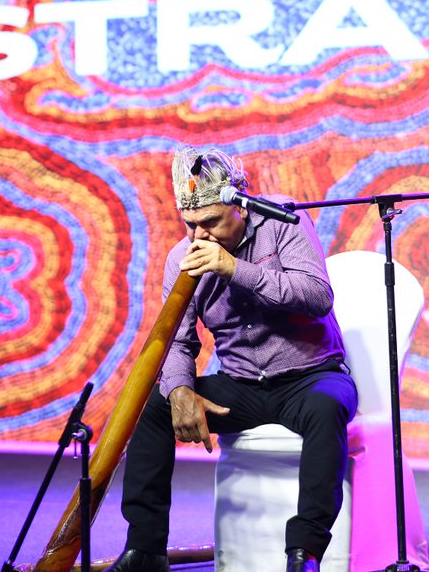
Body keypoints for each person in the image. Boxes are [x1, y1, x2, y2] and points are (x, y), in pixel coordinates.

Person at [106, 147, 358, 572]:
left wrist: (233, 269)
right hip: (241, 385)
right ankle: (146, 550)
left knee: (326, 407)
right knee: (154, 406)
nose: (199, 236)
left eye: (210, 223)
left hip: (310, 376)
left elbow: (317, 297)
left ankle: (304, 551)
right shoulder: (181, 259)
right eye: (190, 225)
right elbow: (179, 342)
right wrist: (181, 389)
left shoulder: (283, 223)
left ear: (240, 204)